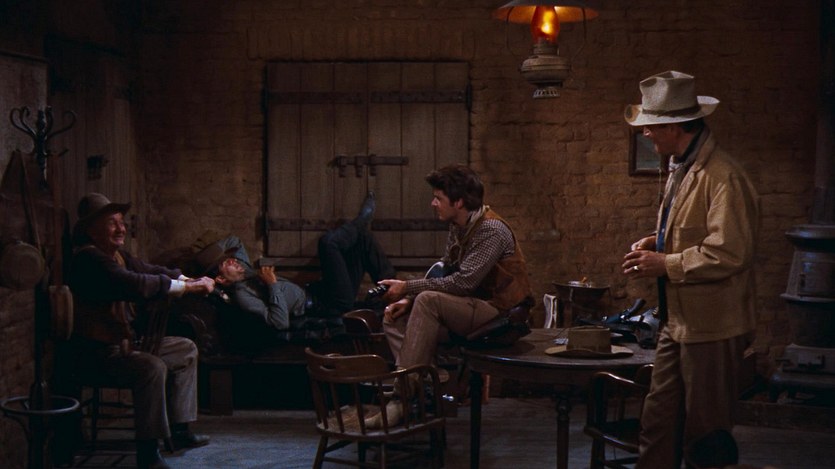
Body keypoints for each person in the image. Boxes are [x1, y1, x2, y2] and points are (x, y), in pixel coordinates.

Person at [621, 71, 760, 468]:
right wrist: (658, 241)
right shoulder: (682, 166)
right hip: (678, 321)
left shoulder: (723, 176)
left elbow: (729, 252)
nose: (646, 132)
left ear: (676, 126)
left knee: (706, 435)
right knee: (658, 423)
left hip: (712, 327)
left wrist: (665, 263)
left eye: (652, 125)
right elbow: (693, 229)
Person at [376, 164, 533, 425]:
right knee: (394, 317)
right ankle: (431, 380)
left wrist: (407, 287)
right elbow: (445, 271)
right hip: (469, 306)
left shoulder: (491, 229)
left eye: (438, 198)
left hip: (500, 313)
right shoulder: (458, 227)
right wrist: (408, 300)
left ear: (458, 202)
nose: (433, 203)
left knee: (427, 300)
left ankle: (400, 399)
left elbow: (463, 283)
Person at [68, 193, 214, 469]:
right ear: (91, 230)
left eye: (121, 222)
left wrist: (189, 279)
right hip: (98, 354)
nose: (121, 229)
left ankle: (180, 430)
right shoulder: (90, 259)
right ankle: (148, 451)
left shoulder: (117, 255)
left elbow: (152, 270)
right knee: (151, 368)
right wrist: (188, 288)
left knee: (185, 349)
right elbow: (136, 283)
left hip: (125, 345)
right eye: (112, 223)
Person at [194, 191, 396, 337]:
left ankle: (391, 289)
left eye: (229, 258)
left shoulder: (244, 271)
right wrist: (272, 285)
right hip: (329, 304)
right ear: (221, 279)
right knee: (328, 243)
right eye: (225, 264)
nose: (233, 260)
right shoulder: (243, 296)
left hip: (320, 290)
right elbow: (279, 322)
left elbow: (235, 241)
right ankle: (362, 220)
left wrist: (214, 252)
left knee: (362, 239)